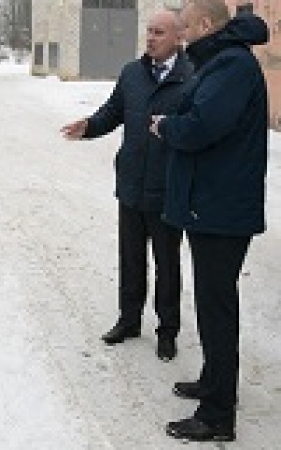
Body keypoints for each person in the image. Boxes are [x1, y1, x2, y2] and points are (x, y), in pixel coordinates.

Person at [150, 0, 268, 442]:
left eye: (182, 28)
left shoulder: (231, 66)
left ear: (203, 25)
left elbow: (203, 125)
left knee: (217, 310)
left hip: (221, 210)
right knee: (213, 304)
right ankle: (214, 382)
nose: (180, 36)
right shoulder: (221, 62)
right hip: (214, 206)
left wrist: (167, 128)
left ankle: (218, 414)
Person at [61, 9, 190, 361]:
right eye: (148, 31)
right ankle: (129, 320)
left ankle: (167, 331)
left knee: (167, 264)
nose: (151, 38)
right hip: (132, 184)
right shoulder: (132, 73)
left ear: (179, 37)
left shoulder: (191, 76)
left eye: (159, 32)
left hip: (167, 189)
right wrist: (88, 126)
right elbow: (113, 111)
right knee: (131, 259)